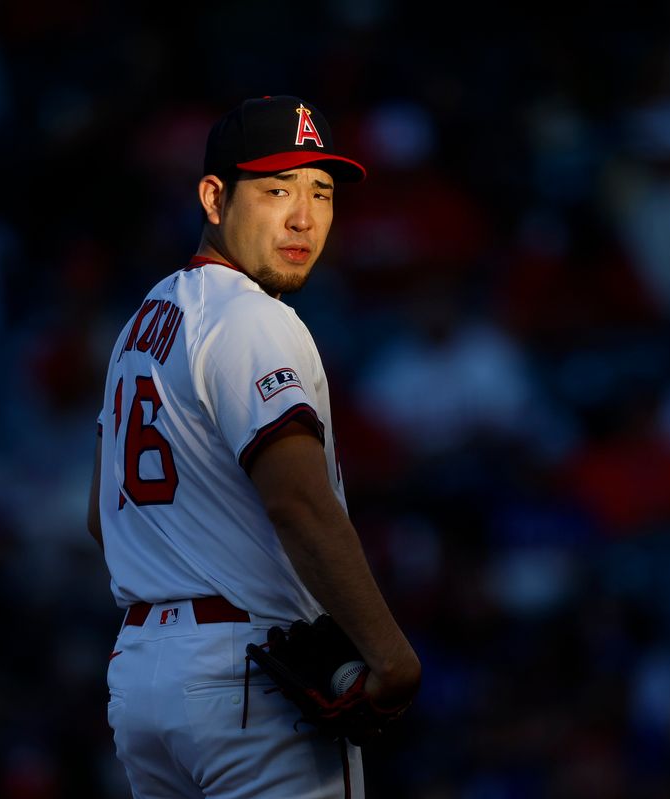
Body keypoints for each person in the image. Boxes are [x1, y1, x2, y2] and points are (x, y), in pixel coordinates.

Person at [86, 95, 421, 798]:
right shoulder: (252, 318)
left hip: (143, 670)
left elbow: (102, 516)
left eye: (321, 192)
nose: (304, 217)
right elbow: (298, 503)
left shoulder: (140, 325)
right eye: (276, 189)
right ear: (214, 196)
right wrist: (392, 656)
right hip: (247, 674)